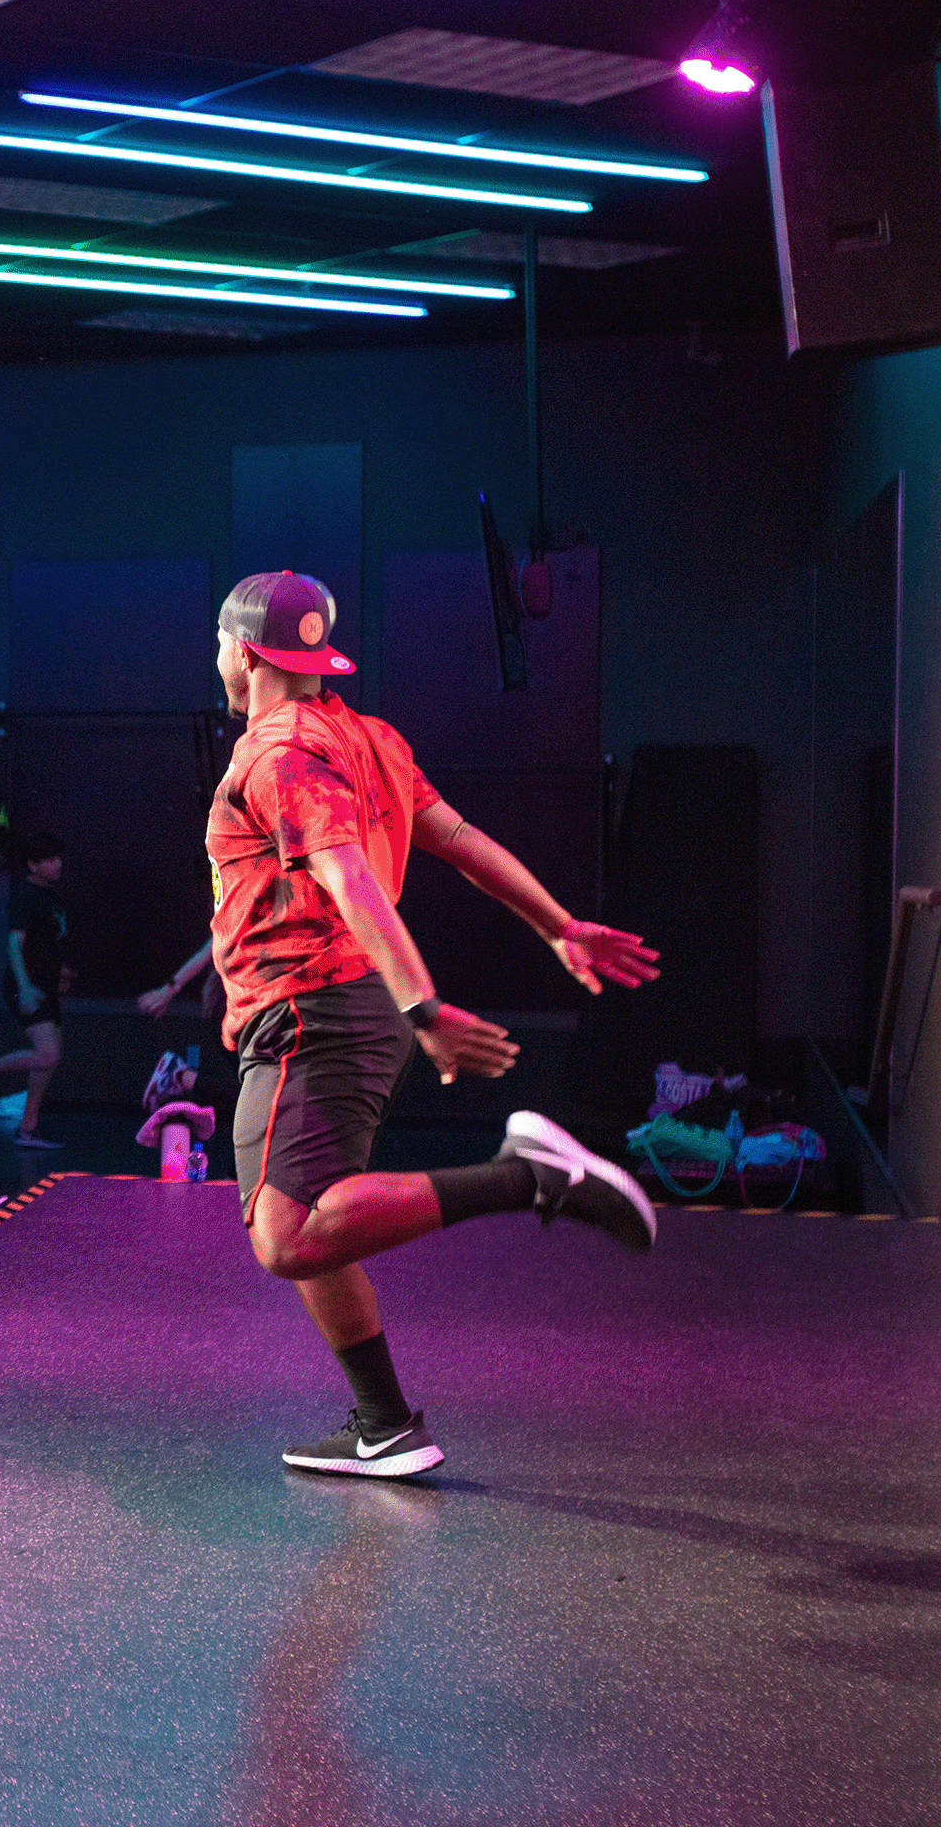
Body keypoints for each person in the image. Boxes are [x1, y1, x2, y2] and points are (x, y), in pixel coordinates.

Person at [204, 570, 662, 1479]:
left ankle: (527, 1179)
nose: (215, 659)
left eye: (219, 645)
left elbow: (350, 879)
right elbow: (459, 841)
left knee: (287, 1232)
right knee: (312, 1215)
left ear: (246, 653)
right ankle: (383, 1425)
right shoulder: (363, 736)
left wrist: (426, 1006)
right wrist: (559, 925)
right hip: (335, 1005)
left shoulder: (278, 752)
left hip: (315, 1005)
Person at [0, 831, 71, 1152]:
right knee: (47, 1054)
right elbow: (13, 944)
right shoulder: (25, 895)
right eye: (48, 859)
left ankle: (27, 1128)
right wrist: (24, 988)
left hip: (46, 986)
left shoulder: (51, 896)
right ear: (32, 865)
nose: (57, 864)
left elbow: (48, 942)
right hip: (27, 986)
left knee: (48, 1060)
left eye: (57, 857)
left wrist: (60, 972)